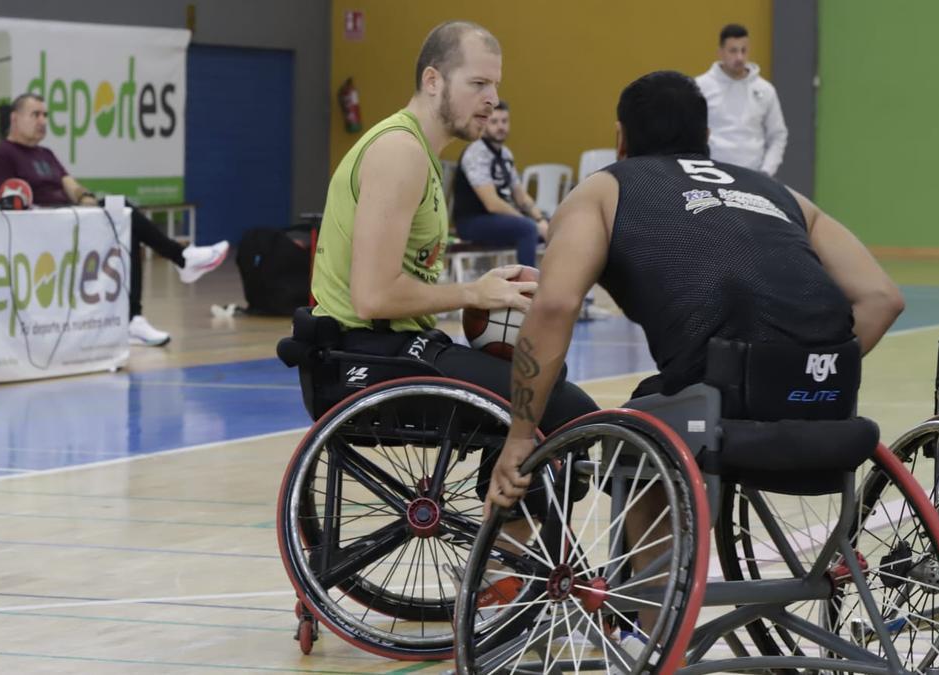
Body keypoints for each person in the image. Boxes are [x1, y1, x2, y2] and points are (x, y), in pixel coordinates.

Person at [484, 70, 902, 648]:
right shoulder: (777, 192)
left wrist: (520, 435)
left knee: (638, 426)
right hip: (830, 411)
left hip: (714, 406)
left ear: (620, 138)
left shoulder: (604, 189)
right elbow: (883, 299)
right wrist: (809, 372)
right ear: (707, 134)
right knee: (661, 401)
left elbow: (553, 305)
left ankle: (644, 629)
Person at [308, 20, 598, 598]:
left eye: (496, 85)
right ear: (434, 80)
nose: (491, 99)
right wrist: (472, 294)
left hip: (391, 345)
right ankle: (502, 570)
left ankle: (508, 564)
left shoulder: (422, 156)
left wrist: (490, 288)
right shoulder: (399, 152)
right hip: (363, 354)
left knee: (550, 390)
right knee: (564, 412)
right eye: (479, 83)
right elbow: (372, 295)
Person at [0, 93, 229, 347]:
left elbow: (70, 184)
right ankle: (181, 259)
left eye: (45, 115)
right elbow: (5, 203)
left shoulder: (45, 154)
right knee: (122, 210)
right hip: (43, 229)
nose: (43, 121)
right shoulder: (1, 155)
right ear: (15, 118)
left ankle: (134, 318)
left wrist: (86, 198)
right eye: (35, 114)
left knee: (122, 215)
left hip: (71, 219)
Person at [451, 100, 549, 267]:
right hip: (472, 221)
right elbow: (492, 204)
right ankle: (530, 287)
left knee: (556, 224)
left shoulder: (505, 154)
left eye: (504, 121)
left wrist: (540, 219)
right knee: (527, 229)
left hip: (499, 219)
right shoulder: (476, 153)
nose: (500, 127)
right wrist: (532, 224)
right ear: (485, 124)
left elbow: (521, 196)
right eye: (494, 122)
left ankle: (564, 285)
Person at [695, 23, 787, 176]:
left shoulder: (765, 90)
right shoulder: (700, 87)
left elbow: (778, 135)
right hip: (712, 174)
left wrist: (766, 171)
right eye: (733, 51)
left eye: (744, 50)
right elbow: (691, 134)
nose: (739, 57)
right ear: (721, 52)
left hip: (753, 176)